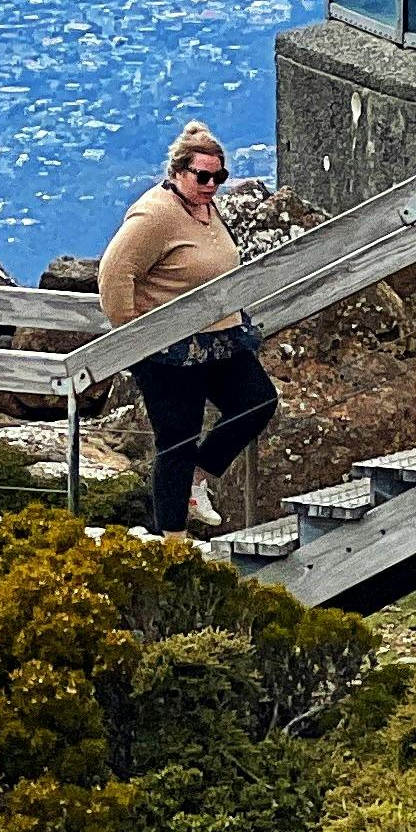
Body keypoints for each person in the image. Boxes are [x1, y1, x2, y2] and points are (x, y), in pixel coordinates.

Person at [98, 121, 276, 538]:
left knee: (257, 400)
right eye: (202, 176)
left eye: (219, 176)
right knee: (177, 439)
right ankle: (173, 542)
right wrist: (131, 333)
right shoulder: (155, 213)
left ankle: (199, 477)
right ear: (178, 172)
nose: (212, 185)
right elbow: (115, 271)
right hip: (169, 348)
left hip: (220, 338)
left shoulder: (207, 208)